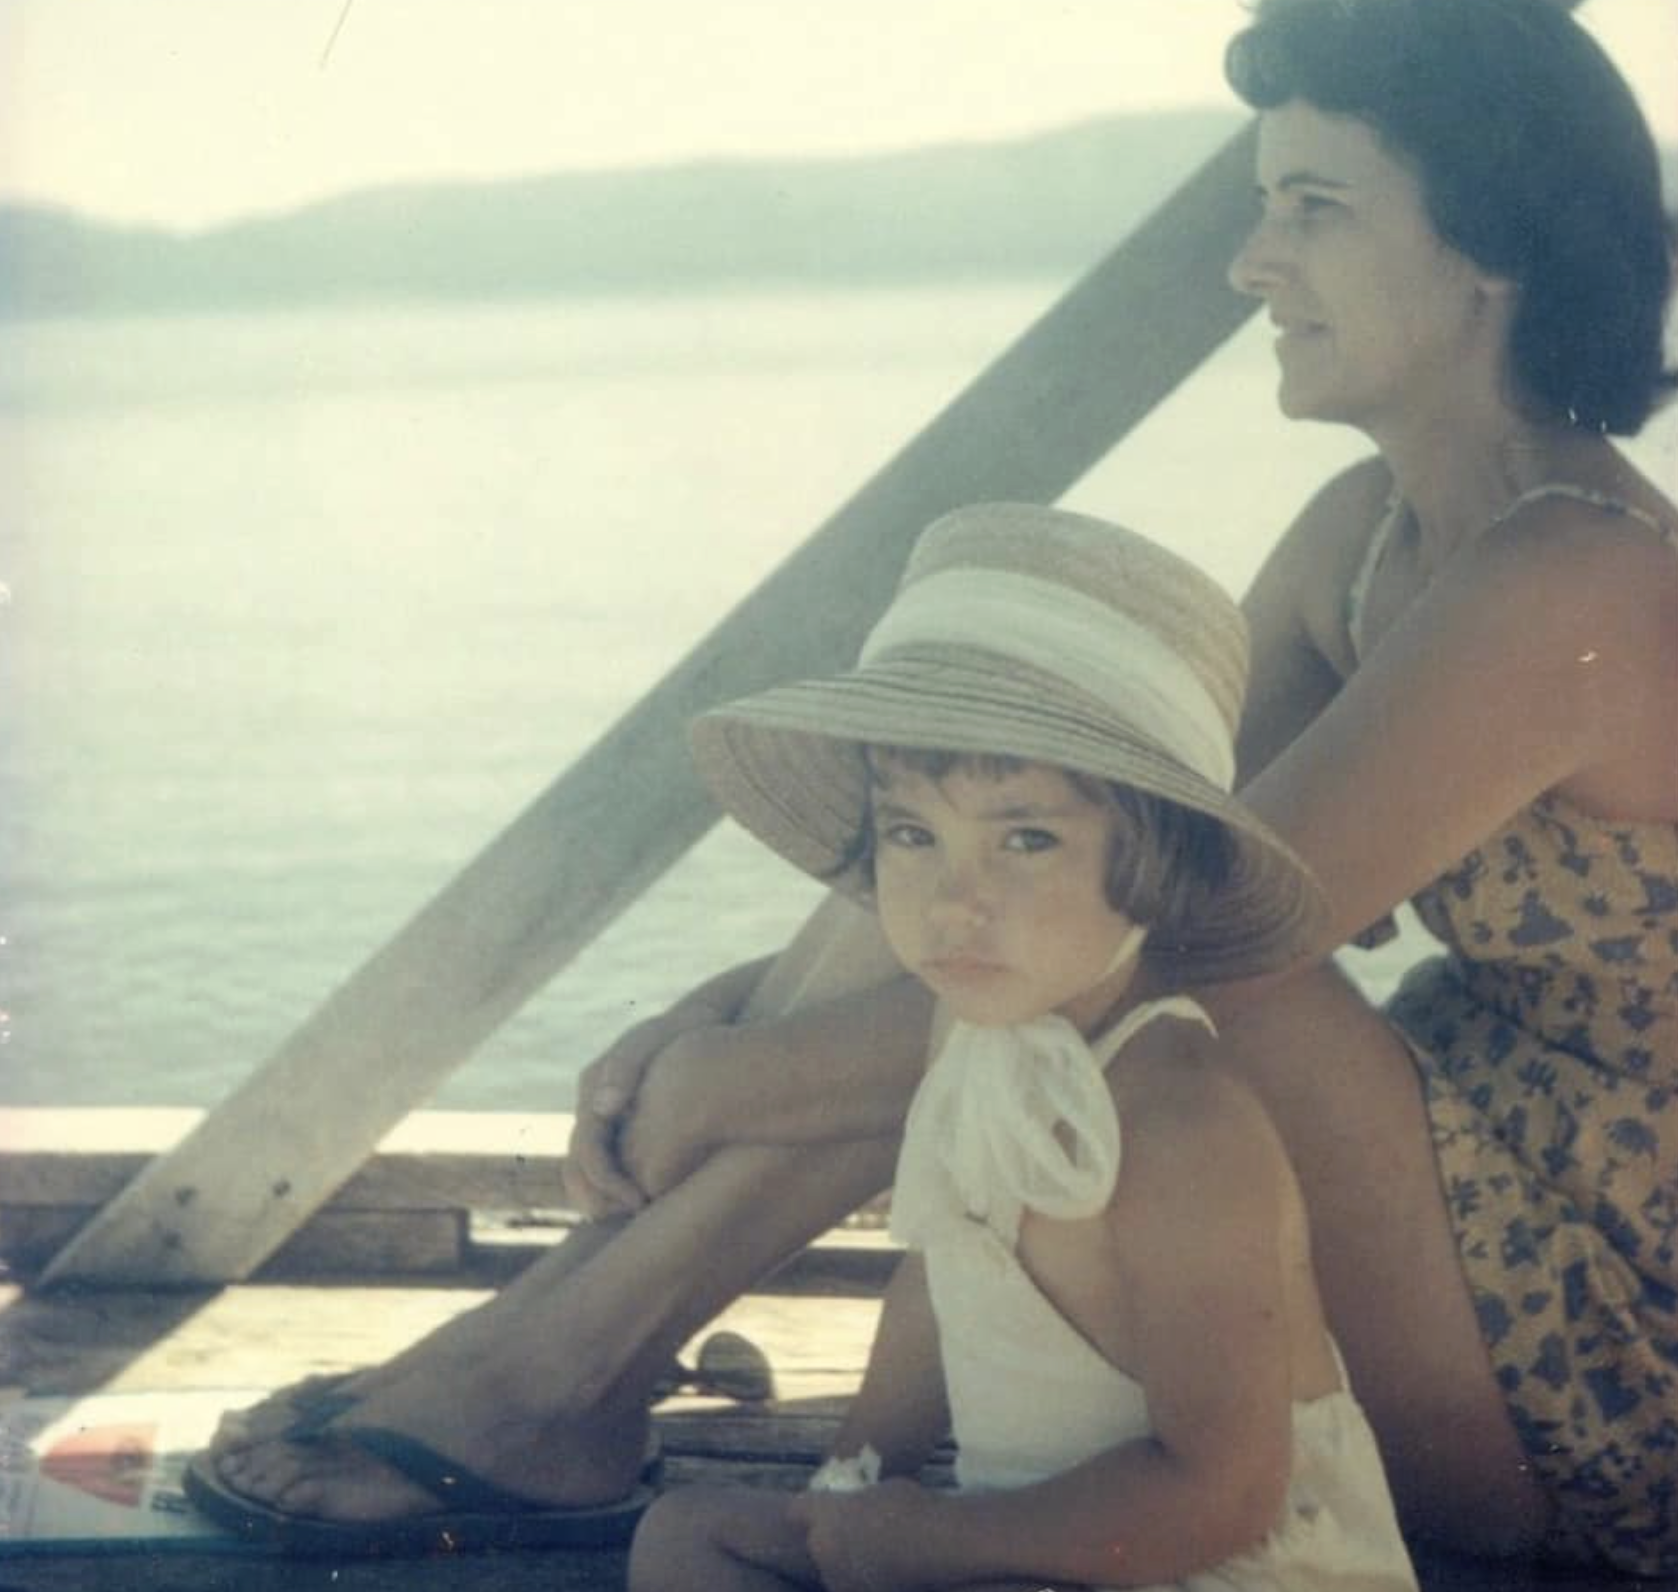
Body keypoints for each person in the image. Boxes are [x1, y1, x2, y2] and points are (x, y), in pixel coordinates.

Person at [194, 0, 1677, 1573]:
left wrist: (738, 1087)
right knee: (1023, 818)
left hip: (1600, 1346)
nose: (1253, 262)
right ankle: (549, 1356)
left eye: (1313, 209)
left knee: (1118, 951)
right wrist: (722, 1007)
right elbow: (1091, 829)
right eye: (1260, 208)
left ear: (1490, 248)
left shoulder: (1571, 579)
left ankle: (551, 1379)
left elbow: (1179, 932)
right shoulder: (1364, 534)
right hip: (1466, 1184)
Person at [627, 501, 1416, 1591]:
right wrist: (854, 1483)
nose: (955, 900)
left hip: (1225, 1564)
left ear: (1157, 861)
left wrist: (924, 1538)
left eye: (1027, 837)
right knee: (685, 1539)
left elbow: (1220, 1495)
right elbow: (949, 1279)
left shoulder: (1180, 1126)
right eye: (913, 832)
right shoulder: (982, 1031)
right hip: (1034, 1547)